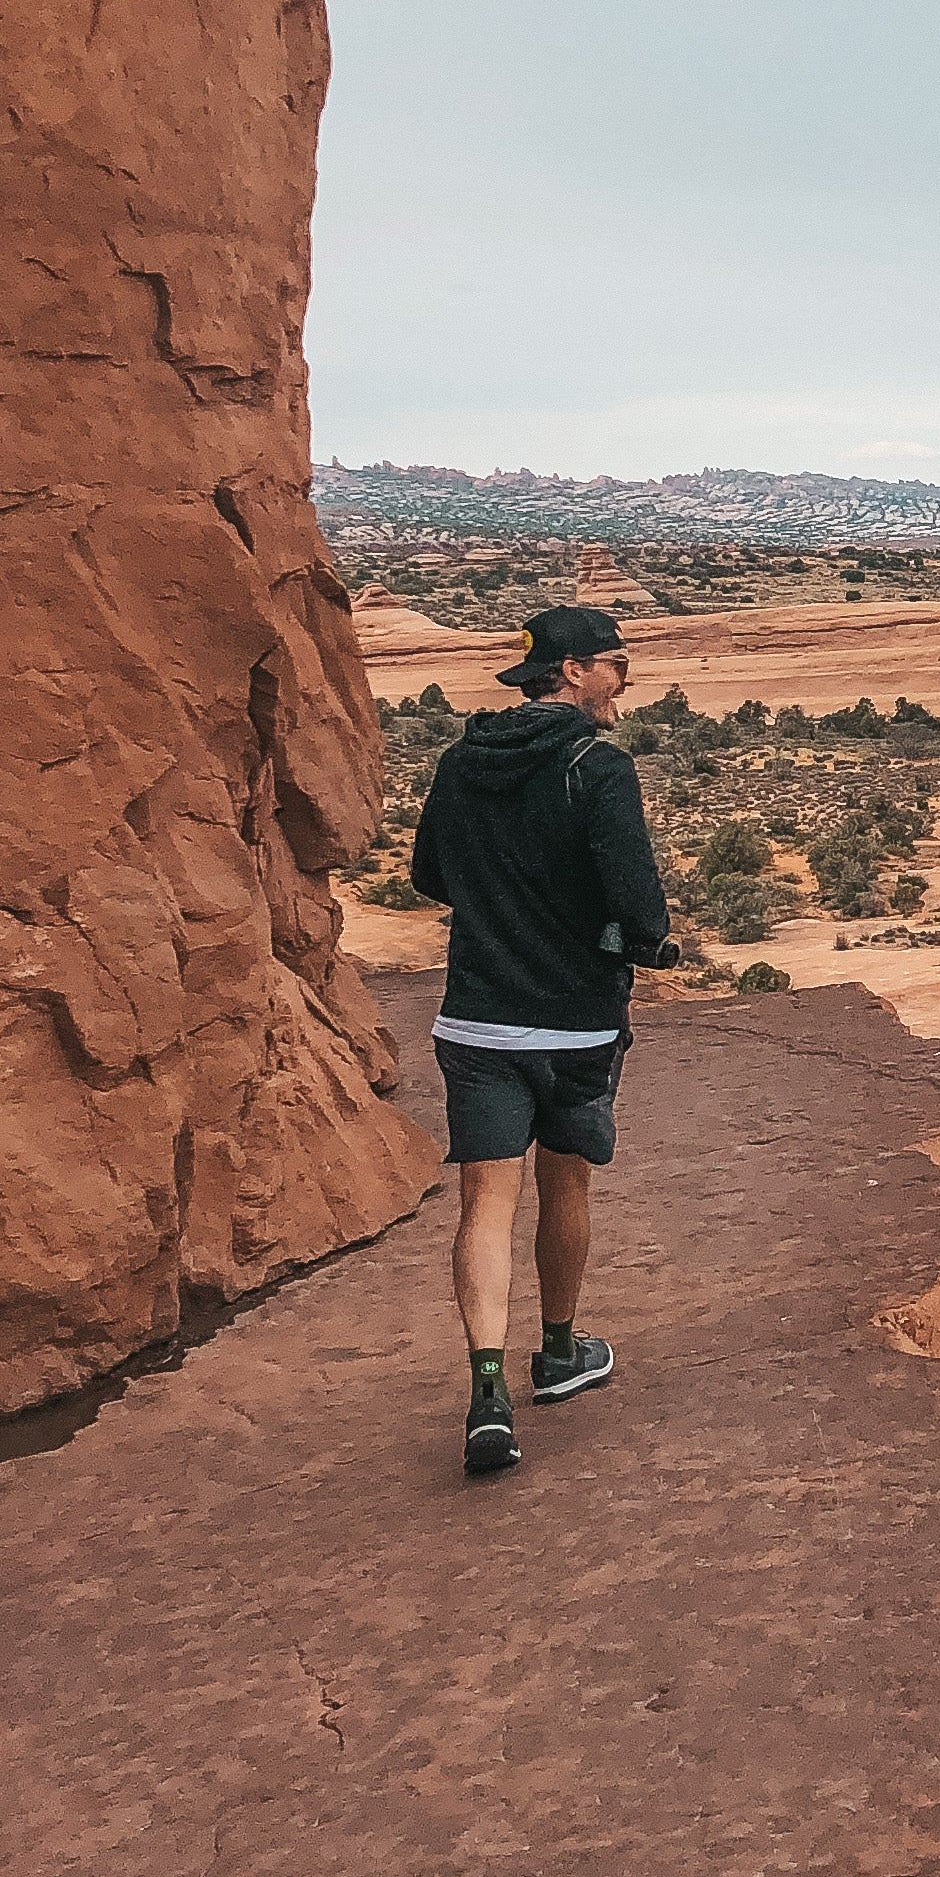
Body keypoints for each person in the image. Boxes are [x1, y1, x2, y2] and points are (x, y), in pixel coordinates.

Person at [407, 603, 673, 1477]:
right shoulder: (599, 766)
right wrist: (634, 938)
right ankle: (557, 1356)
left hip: (476, 1018)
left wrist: (499, 907)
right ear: (570, 672)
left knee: (486, 1201)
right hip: (576, 1020)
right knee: (565, 1185)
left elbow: (428, 876)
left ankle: (488, 1393)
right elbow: (636, 901)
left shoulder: (460, 760)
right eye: (615, 671)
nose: (622, 690)